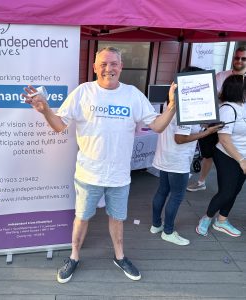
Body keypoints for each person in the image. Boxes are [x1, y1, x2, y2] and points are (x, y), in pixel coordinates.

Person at [21, 46, 177, 283]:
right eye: (103, 64)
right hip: (88, 173)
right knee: (82, 217)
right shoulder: (83, 92)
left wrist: (173, 106)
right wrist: (45, 111)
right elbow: (59, 125)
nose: (108, 68)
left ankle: (120, 256)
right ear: (94, 67)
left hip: (119, 176)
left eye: (113, 63)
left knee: (117, 218)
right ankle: (74, 257)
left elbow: (156, 126)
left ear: (121, 67)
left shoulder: (133, 94)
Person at [150, 67, 222, 246]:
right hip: (177, 160)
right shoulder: (186, 107)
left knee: (162, 191)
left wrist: (203, 127)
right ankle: (168, 231)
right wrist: (207, 132)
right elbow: (180, 138)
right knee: (176, 196)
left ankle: (156, 225)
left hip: (165, 156)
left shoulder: (172, 101)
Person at [187, 46, 246, 192]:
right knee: (208, 154)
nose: (239, 61)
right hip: (215, 121)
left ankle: (226, 189)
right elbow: (207, 95)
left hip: (237, 125)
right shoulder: (221, 75)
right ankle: (202, 182)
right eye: (237, 57)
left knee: (231, 156)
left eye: (243, 58)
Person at [196, 75, 246, 237]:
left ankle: (222, 221)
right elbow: (224, 140)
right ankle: (207, 218)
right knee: (226, 191)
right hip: (227, 155)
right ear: (239, 89)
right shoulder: (227, 110)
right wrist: (241, 160)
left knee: (235, 190)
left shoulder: (243, 106)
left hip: (243, 156)